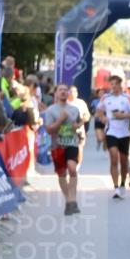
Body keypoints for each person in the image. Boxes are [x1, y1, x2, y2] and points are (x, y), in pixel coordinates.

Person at [42, 84, 84, 215]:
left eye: (66, 90)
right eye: (60, 90)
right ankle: (69, 201)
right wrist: (60, 120)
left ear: (68, 93)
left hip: (72, 143)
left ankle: (73, 199)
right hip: (57, 145)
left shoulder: (74, 109)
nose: (63, 92)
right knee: (61, 174)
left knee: (72, 168)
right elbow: (49, 130)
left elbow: (80, 122)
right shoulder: (51, 110)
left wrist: (77, 126)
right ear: (56, 93)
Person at [99, 75, 130, 199]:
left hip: (124, 133)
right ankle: (115, 187)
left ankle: (122, 184)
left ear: (121, 85)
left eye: (116, 84)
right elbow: (99, 110)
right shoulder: (106, 98)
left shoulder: (127, 98)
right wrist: (103, 117)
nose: (114, 86)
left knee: (124, 161)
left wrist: (124, 116)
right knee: (114, 158)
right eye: (112, 84)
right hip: (111, 132)